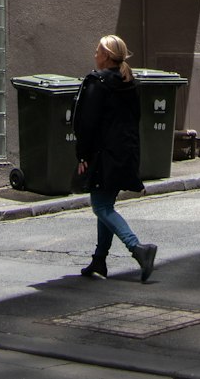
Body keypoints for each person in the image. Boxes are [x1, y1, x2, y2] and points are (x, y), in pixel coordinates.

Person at [73, 33, 157, 282]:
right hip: (124, 152)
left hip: (102, 154)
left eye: (98, 50)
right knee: (106, 205)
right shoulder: (129, 82)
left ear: (107, 56)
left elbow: (86, 123)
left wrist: (82, 155)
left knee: (100, 206)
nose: (95, 54)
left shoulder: (97, 82)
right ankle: (99, 259)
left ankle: (138, 249)